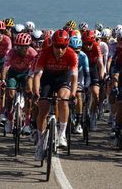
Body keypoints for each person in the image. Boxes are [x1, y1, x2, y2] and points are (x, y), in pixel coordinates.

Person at [33, 29, 78, 160]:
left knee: (63, 100)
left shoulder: (71, 54)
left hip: (62, 79)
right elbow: (37, 75)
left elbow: (74, 77)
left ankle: (62, 133)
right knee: (43, 110)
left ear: (67, 45)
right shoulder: (45, 53)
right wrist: (36, 92)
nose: (60, 50)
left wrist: (73, 93)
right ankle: (41, 143)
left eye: (63, 47)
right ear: (52, 44)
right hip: (47, 79)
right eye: (57, 46)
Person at [1, 33, 38, 133]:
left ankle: (27, 122)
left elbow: (36, 70)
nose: (21, 49)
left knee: (28, 96)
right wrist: (3, 80)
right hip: (13, 74)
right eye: (19, 47)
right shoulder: (12, 52)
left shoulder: (33, 53)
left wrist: (34, 86)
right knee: (10, 94)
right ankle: (9, 118)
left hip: (26, 74)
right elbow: (6, 66)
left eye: (24, 47)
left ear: (28, 46)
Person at [81, 30, 104, 131]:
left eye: (90, 44)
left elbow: (101, 64)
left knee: (95, 93)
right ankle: (79, 114)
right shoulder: (80, 47)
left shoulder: (96, 46)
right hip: (82, 68)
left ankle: (93, 116)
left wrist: (101, 77)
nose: (88, 46)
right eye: (86, 44)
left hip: (93, 67)